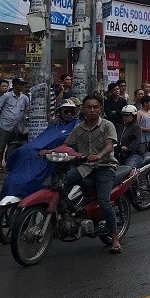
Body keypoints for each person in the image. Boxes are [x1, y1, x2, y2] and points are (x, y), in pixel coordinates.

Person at [47, 95, 122, 254]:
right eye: (89, 107)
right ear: (83, 109)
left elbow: (109, 145)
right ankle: (69, 214)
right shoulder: (79, 127)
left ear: (100, 109)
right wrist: (50, 152)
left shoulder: (107, 125)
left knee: (104, 202)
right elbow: (67, 145)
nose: (92, 110)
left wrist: (100, 155)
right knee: (60, 185)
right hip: (84, 167)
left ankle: (114, 237)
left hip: (104, 167)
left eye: (96, 107)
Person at [0, 78, 30, 175]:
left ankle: (9, 165)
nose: (22, 87)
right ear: (14, 85)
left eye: (23, 85)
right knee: (0, 146)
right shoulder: (7, 96)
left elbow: (27, 107)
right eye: (20, 85)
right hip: (5, 125)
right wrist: (3, 116)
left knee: (13, 146)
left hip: (17, 127)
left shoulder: (24, 98)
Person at [116, 105, 145, 169]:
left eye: (127, 116)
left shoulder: (136, 127)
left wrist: (127, 148)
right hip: (121, 155)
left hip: (134, 155)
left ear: (134, 116)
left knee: (127, 169)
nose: (124, 117)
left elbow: (137, 141)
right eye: (123, 115)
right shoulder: (119, 127)